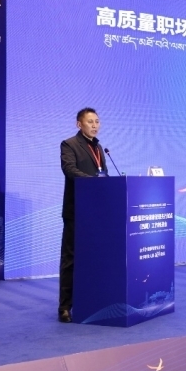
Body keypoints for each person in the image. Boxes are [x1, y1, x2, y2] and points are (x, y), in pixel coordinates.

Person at [58, 107, 108, 322]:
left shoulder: (99, 148)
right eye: (90, 121)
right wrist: (93, 182)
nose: (95, 125)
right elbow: (69, 170)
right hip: (76, 210)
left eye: (97, 121)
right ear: (79, 124)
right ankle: (65, 307)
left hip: (97, 213)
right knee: (71, 259)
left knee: (95, 258)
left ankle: (92, 300)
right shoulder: (69, 144)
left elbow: (103, 175)